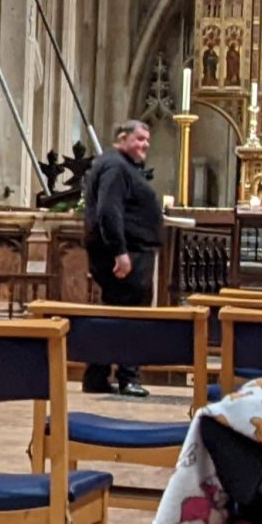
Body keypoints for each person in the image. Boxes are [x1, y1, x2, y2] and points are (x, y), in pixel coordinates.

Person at [83, 119, 163, 397]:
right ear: (122, 137)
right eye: (139, 139)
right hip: (126, 253)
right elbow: (109, 211)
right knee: (131, 316)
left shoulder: (119, 165)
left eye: (147, 140)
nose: (145, 145)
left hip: (130, 250)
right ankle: (128, 376)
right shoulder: (116, 166)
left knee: (114, 314)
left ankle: (97, 374)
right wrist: (120, 251)